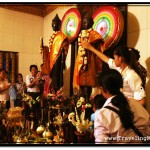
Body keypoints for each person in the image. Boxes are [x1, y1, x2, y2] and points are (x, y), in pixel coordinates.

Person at [81, 41, 146, 106]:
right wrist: (90, 48)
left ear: (120, 59)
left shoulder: (132, 75)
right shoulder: (120, 68)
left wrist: (126, 102)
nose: (113, 60)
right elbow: (106, 59)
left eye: (114, 58)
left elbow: (141, 101)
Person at [94, 69, 150, 143]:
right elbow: (147, 129)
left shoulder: (101, 114)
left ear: (102, 89)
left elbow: (101, 142)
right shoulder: (135, 103)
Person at [73, 13, 104, 103]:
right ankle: (82, 101)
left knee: (88, 84)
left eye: (87, 22)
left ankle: (87, 102)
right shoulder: (81, 35)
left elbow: (99, 47)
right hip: (80, 62)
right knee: (81, 82)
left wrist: (90, 45)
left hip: (90, 61)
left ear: (92, 23)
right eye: (84, 22)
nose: (85, 24)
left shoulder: (95, 35)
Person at [49, 14, 69, 93]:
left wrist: (64, 48)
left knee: (58, 77)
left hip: (59, 58)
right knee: (53, 77)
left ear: (59, 25)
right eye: (52, 24)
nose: (53, 26)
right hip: (52, 60)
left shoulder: (62, 36)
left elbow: (66, 48)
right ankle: (54, 93)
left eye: (55, 24)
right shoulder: (53, 36)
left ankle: (58, 92)